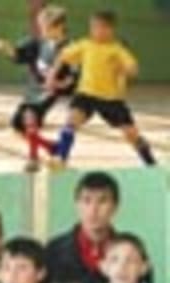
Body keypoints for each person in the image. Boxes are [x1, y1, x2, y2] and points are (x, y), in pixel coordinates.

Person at [48, 10, 157, 167]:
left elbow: (132, 67)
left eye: (101, 27)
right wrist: (52, 76)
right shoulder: (85, 45)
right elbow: (63, 56)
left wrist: (130, 70)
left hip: (111, 99)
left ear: (110, 29)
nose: (97, 31)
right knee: (71, 122)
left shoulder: (117, 49)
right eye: (93, 27)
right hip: (86, 94)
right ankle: (61, 158)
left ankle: (150, 164)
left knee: (131, 135)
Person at [0, 5, 75, 169]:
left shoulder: (70, 48)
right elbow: (18, 54)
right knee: (17, 127)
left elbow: (74, 74)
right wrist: (6, 48)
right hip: (33, 90)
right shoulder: (38, 44)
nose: (42, 30)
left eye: (45, 26)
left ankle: (33, 159)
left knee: (30, 116)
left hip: (49, 92)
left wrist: (61, 84)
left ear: (59, 27)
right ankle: (51, 147)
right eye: (40, 26)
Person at [45, 171, 119, 283]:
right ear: (77, 205)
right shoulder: (53, 251)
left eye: (102, 201)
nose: (93, 210)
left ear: (115, 207)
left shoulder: (131, 254)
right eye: (87, 201)